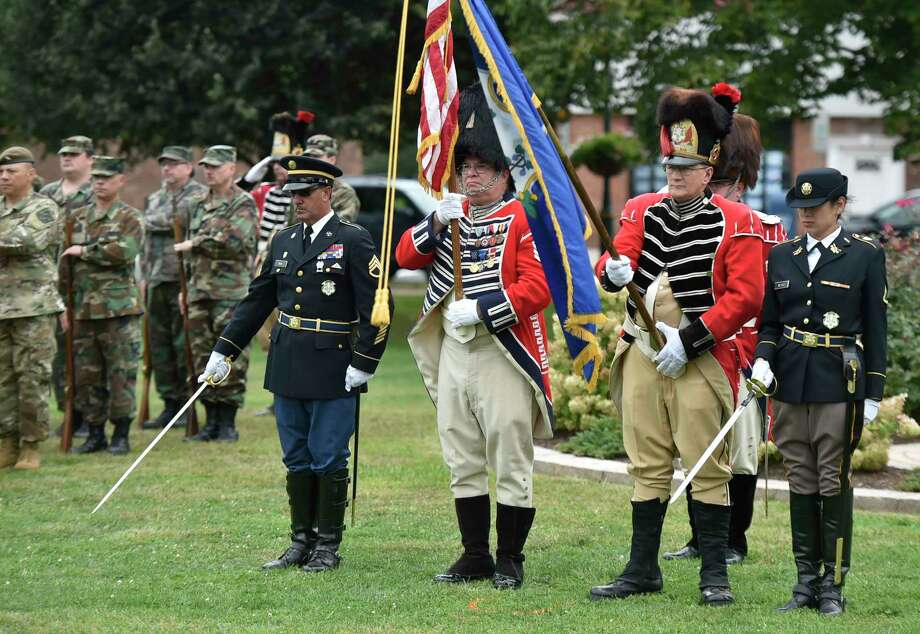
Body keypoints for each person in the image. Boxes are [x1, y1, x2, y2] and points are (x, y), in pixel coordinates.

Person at [589, 86, 765, 606]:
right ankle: (642, 569)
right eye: (669, 164)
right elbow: (617, 259)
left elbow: (746, 296)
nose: (674, 173)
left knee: (707, 462)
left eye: (685, 166)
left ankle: (715, 573)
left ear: (709, 169)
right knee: (646, 461)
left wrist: (690, 340)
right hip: (643, 350)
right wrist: (612, 271)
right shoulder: (642, 208)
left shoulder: (740, 223)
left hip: (701, 357)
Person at [198, 155, 391, 573]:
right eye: (292, 193)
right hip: (287, 363)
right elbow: (258, 299)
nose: (296, 200)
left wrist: (365, 360)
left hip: (333, 365)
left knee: (327, 455)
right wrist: (224, 349)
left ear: (327, 193)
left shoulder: (353, 239)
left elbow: (379, 307)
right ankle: (300, 541)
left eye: (304, 194)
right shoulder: (284, 241)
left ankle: (327, 545)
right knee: (297, 457)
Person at [395, 83, 553, 590]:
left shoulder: (520, 216)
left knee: (508, 448)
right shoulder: (449, 215)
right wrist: (432, 223)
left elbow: (539, 285)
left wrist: (485, 309)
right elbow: (404, 258)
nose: (470, 174)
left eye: (481, 167)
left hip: (500, 348)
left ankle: (510, 556)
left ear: (503, 175)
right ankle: (474, 554)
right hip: (454, 351)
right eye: (464, 167)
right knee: (460, 452)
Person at [749, 167, 887, 615]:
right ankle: (805, 580)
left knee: (832, 478)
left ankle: (834, 582)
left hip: (837, 380)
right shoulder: (782, 255)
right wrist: (764, 359)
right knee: (800, 478)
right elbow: (770, 321)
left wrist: (872, 394)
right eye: (800, 208)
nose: (805, 215)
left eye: (815, 207)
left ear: (839, 206)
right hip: (790, 378)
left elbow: (876, 330)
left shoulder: (863, 256)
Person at [662, 103, 788, 565]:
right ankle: (701, 537)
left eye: (717, 184)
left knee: (742, 450)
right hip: (696, 345)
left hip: (746, 352)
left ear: (737, 182)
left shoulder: (765, 229)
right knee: (696, 446)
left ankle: (735, 540)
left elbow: (767, 301)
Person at [174, 146, 257, 442]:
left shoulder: (243, 203)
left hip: (231, 293)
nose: (209, 171)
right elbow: (186, 252)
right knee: (200, 358)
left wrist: (197, 243)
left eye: (215, 166)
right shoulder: (196, 204)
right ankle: (210, 421)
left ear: (231, 168)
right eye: (206, 166)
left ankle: (228, 423)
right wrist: (187, 289)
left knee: (231, 358)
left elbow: (235, 240)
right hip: (199, 292)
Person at [63, 157, 144, 455]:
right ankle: (94, 432)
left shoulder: (130, 217)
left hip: (119, 310)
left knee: (121, 373)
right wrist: (63, 304)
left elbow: (126, 251)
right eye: (96, 177)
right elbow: (65, 262)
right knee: (87, 376)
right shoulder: (77, 218)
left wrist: (86, 251)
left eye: (107, 178)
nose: (99, 182)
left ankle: (121, 433)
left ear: (120, 181)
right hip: (83, 310)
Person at [0, 147, 64, 470]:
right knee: (3, 378)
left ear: (31, 175)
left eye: (11, 172)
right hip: (1, 308)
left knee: (33, 376)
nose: (4, 177)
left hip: (33, 306)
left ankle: (31, 444)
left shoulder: (44, 208)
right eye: (1, 172)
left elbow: (27, 241)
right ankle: (7, 442)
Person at [140, 146, 208, 429]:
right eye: (164, 164)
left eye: (174, 164)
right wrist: (143, 276)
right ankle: (170, 403)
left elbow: (177, 221)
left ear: (188, 168)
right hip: (156, 278)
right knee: (159, 346)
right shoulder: (154, 198)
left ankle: (187, 403)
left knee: (184, 346)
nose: (167, 169)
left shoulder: (197, 195)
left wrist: (148, 221)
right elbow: (147, 241)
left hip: (183, 278)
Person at [42, 135, 94, 434]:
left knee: (85, 351)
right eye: (63, 154)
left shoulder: (96, 192)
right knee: (58, 353)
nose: (67, 159)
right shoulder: (48, 193)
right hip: (52, 282)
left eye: (74, 154)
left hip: (87, 286)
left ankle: (89, 414)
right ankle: (68, 413)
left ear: (90, 158)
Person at [301, 134, 360, 223]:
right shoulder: (300, 188)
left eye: (316, 156)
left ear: (332, 160)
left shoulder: (344, 193)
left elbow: (340, 229)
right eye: (308, 156)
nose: (311, 161)